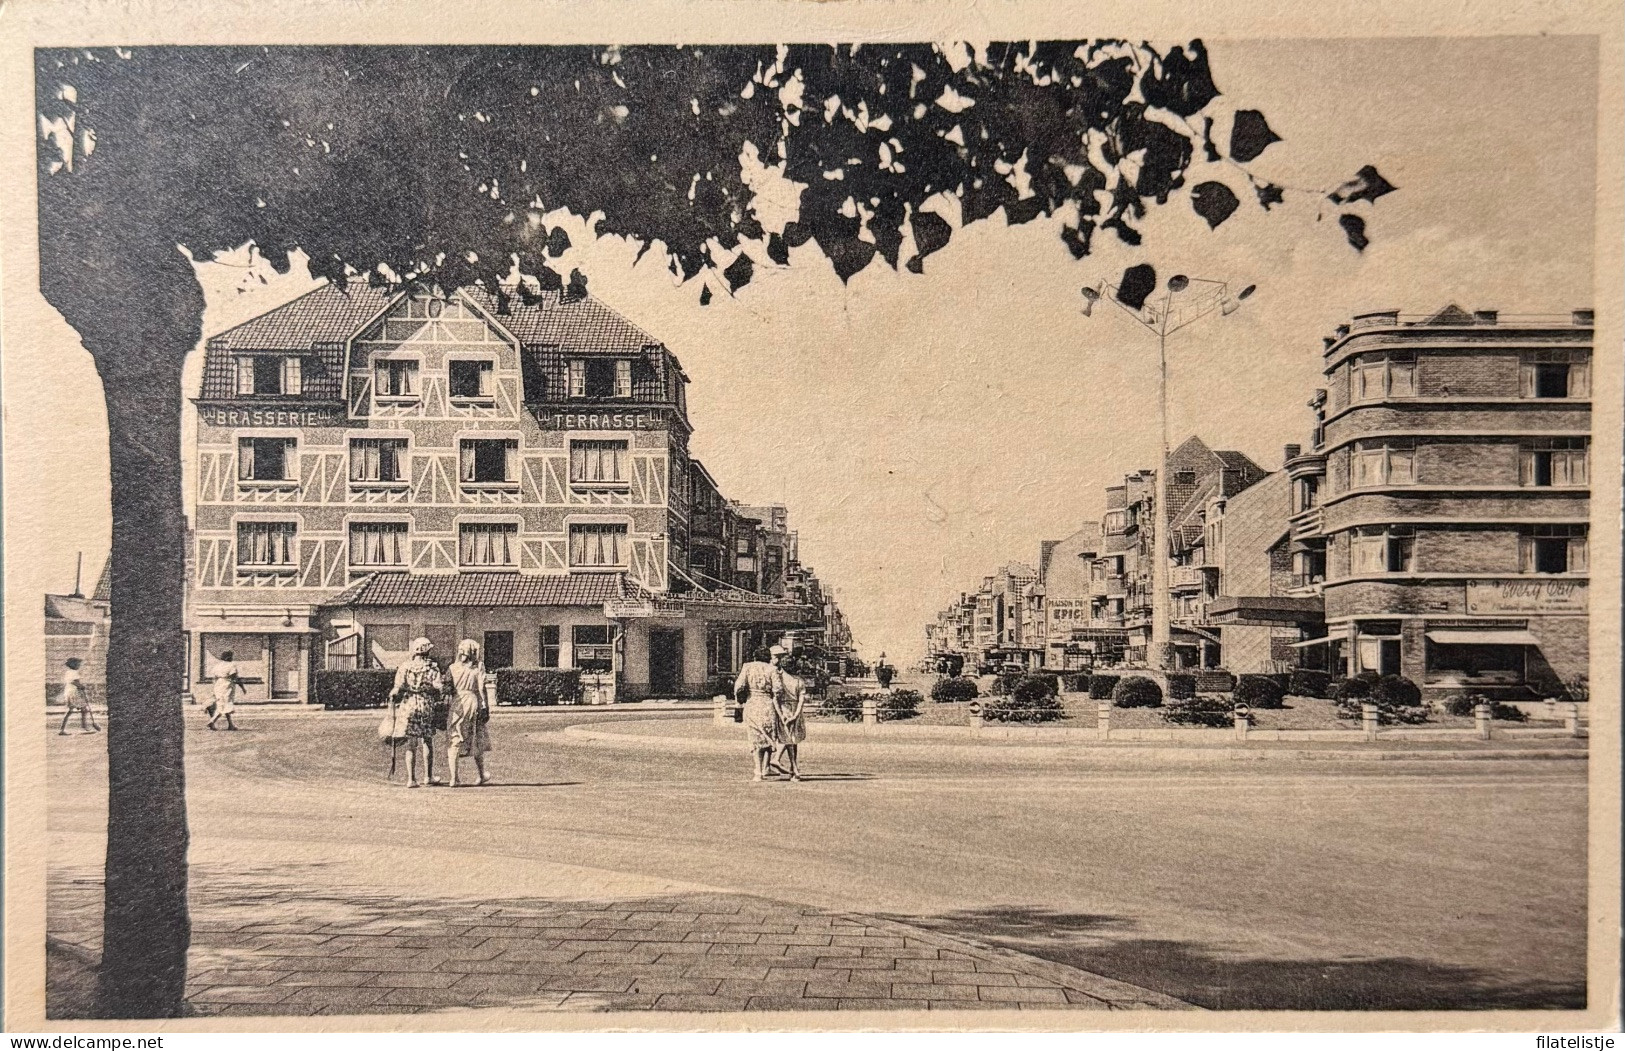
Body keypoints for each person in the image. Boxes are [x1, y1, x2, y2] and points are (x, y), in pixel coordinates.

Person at [384, 637, 446, 787]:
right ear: (427, 651)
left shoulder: (405, 666)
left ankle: (411, 779)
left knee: (411, 744)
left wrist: (394, 695)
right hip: (426, 704)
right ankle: (428, 776)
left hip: (409, 704)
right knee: (427, 741)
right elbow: (439, 686)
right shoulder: (432, 668)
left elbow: (397, 687)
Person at [445, 639, 492, 788]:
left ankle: (454, 778)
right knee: (476, 737)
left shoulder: (452, 668)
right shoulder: (478, 667)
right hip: (473, 702)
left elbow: (447, 688)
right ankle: (481, 773)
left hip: (457, 703)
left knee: (454, 739)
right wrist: (486, 707)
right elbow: (481, 688)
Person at [734, 646, 783, 781]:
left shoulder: (747, 667)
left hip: (752, 704)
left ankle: (757, 771)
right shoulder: (772, 669)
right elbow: (778, 689)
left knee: (755, 738)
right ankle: (766, 768)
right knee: (768, 737)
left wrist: (739, 703)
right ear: (768, 657)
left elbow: (738, 686)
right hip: (767, 705)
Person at [773, 648, 808, 782]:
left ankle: (793, 769)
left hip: (782, 708)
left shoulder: (779, 678)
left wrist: (780, 714)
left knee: (789, 740)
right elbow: (801, 701)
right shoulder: (799, 681)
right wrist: (796, 715)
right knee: (791, 740)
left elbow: (775, 698)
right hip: (794, 710)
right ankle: (792, 768)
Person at [58, 658, 100, 735]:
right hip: (74, 693)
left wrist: (80, 686)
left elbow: (71, 682)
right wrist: (81, 686)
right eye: (78, 664)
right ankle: (84, 727)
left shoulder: (68, 672)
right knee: (84, 709)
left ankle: (62, 729)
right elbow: (74, 682)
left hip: (69, 692)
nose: (79, 665)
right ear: (74, 665)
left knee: (71, 710)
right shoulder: (74, 672)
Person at [207, 650, 240, 731]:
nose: (232, 658)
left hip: (218, 685)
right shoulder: (231, 665)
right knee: (225, 704)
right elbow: (234, 677)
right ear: (228, 657)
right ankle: (212, 720)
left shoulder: (218, 665)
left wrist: (215, 688)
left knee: (223, 704)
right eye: (231, 656)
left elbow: (214, 678)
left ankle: (231, 725)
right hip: (227, 685)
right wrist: (242, 687)